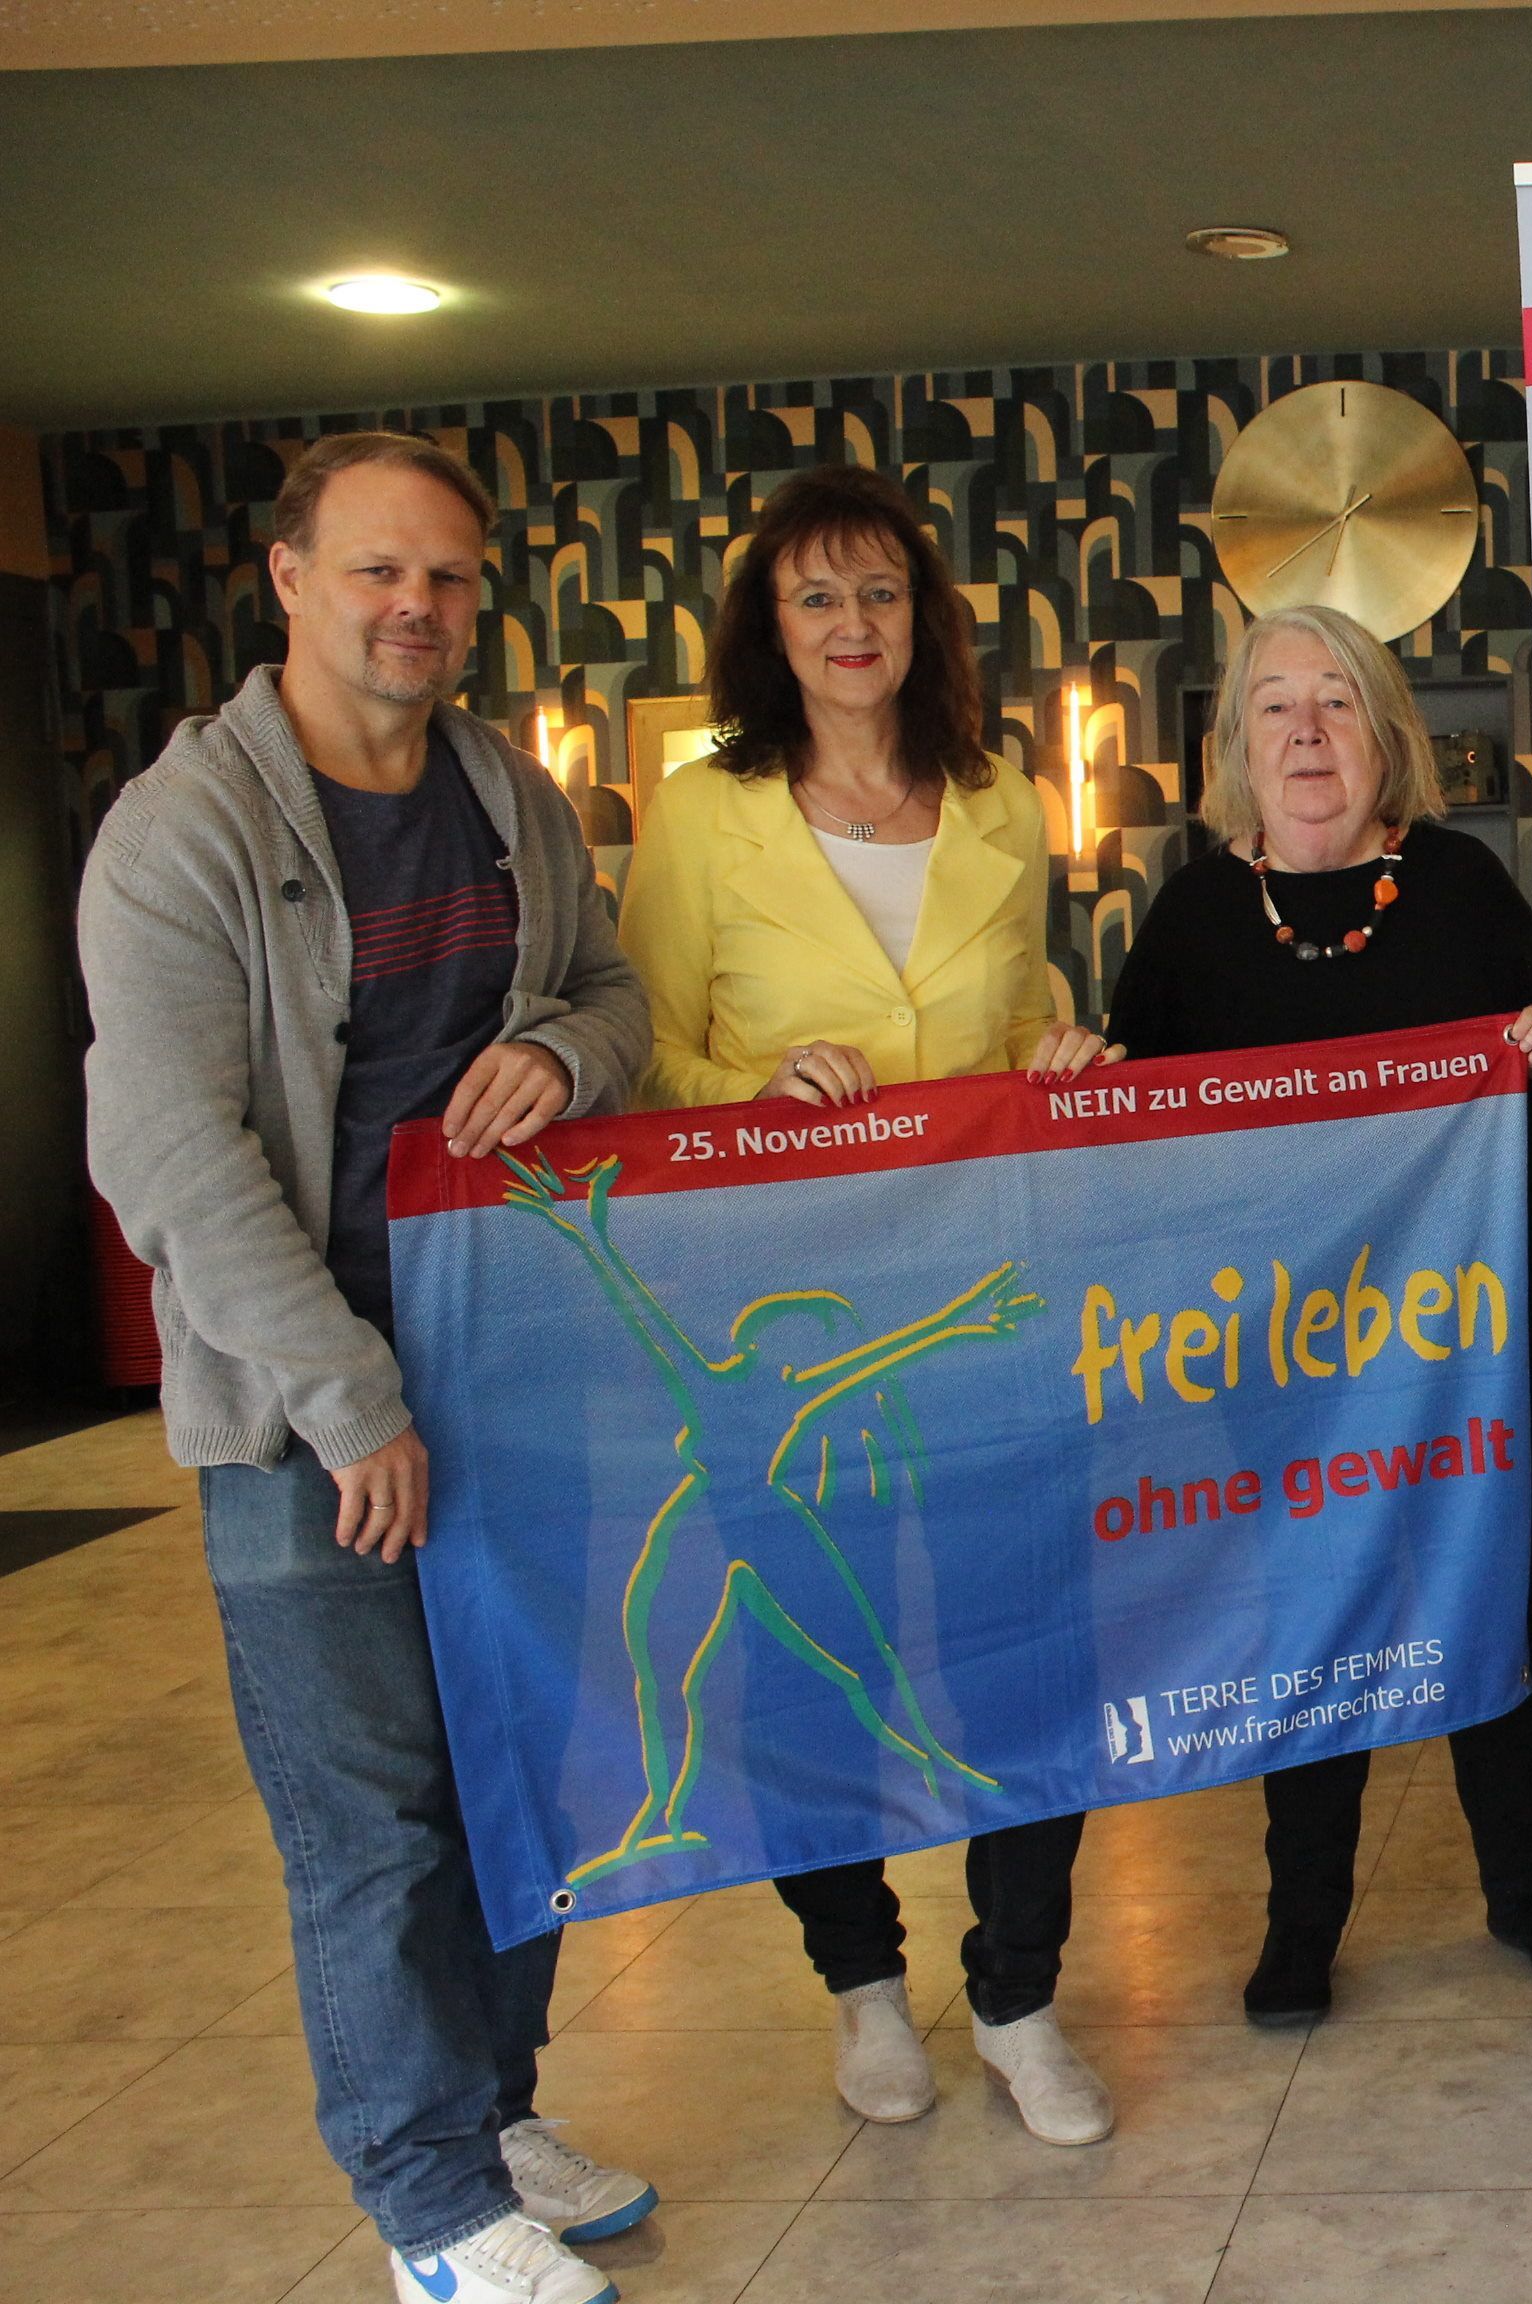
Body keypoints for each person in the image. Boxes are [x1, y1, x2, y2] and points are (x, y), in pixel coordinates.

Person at [81, 432, 657, 2304]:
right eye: (378, 572)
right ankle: (428, 2207)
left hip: (520, 1370)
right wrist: (351, 1399)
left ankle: (495, 2115)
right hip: (304, 1416)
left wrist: (563, 1053)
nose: (418, 607)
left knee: (523, 1779)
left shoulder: (508, 793)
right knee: (375, 1821)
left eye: (449, 578)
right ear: (288, 579)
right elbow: (168, 1154)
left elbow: (618, 996)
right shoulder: (184, 831)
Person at [614, 463, 1119, 2147]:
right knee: (807, 1665)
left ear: (925, 617)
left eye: (881, 592)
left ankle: (1021, 1996)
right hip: (788, 1315)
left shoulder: (999, 800)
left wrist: (1056, 1050)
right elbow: (642, 1059)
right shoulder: (706, 814)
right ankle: (860, 1984)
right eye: (816, 595)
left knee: (1024, 1647)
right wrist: (750, 1091)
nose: (852, 624)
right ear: (770, 626)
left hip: (982, 1304)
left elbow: (1015, 1021)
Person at [1101, 601, 1532, 2022]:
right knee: (1310, 1611)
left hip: (1457, 1340)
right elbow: (1131, 1134)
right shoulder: (1193, 914)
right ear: (1238, 746)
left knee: (1482, 1595)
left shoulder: (1465, 887)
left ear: (1385, 734)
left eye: (1338, 701)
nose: (1307, 732)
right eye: (1275, 705)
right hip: (1274, 1358)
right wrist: (1077, 1079)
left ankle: (1530, 1890)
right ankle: (1302, 1921)